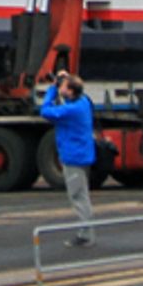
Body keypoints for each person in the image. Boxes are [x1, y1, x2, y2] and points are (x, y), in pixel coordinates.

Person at [38, 68, 97, 246]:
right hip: (81, 154)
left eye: (64, 86)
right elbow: (75, 91)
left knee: (78, 196)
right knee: (83, 195)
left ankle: (85, 234)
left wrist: (52, 89)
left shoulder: (72, 110)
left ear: (70, 91)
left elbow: (46, 111)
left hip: (74, 157)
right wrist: (64, 80)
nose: (60, 87)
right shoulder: (84, 102)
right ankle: (87, 231)